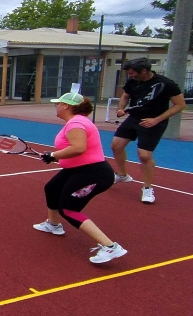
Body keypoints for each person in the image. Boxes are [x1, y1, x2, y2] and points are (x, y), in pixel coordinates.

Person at [33, 92, 127, 264]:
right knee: (52, 188)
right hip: (76, 169)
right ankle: (53, 225)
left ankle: (110, 246)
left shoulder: (76, 122)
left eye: (58, 103)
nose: (56, 106)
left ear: (66, 106)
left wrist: (53, 155)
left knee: (68, 209)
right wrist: (54, 157)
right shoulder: (75, 122)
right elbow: (76, 151)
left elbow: (78, 147)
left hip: (92, 173)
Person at [110, 57, 185, 204]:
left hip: (153, 122)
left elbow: (179, 105)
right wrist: (121, 108)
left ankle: (147, 188)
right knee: (116, 145)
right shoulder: (133, 82)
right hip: (133, 118)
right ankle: (122, 174)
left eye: (132, 73)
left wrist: (156, 119)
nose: (130, 76)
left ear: (144, 71)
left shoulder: (166, 84)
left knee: (144, 155)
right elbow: (125, 96)